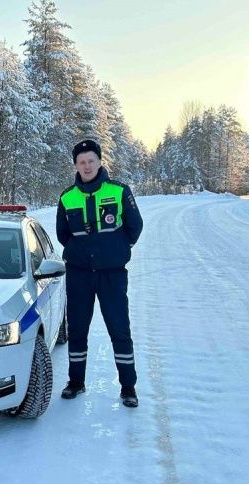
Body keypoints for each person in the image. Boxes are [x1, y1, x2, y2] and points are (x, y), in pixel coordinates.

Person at [56, 140, 143, 407]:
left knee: (119, 329)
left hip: (112, 275)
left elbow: (134, 226)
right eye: (81, 161)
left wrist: (116, 250)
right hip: (79, 275)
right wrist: (79, 252)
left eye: (91, 160)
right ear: (75, 165)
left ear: (100, 161)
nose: (87, 165)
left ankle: (128, 387)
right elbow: (63, 234)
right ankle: (76, 382)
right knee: (78, 329)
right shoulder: (67, 196)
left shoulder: (119, 191)